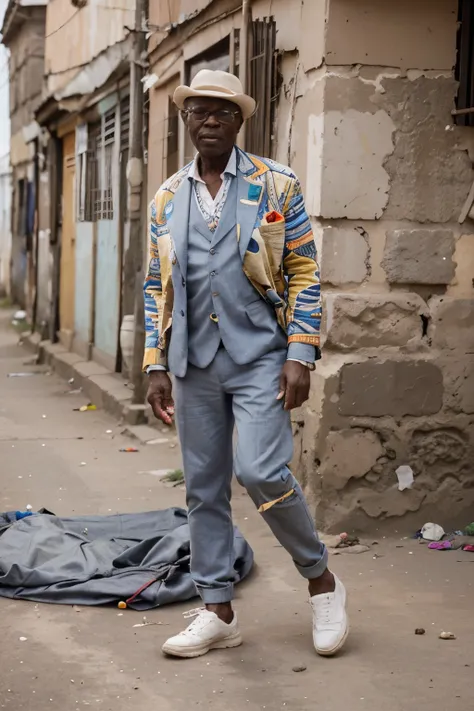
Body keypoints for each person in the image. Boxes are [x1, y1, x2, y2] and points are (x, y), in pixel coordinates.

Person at [143, 69, 348, 659]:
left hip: (260, 355)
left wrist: (301, 351)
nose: (209, 121)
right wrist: (156, 364)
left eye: (221, 113)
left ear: (239, 121)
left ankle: (321, 580)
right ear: (185, 121)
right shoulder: (166, 196)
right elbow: (159, 283)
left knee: (260, 472)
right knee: (204, 488)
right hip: (192, 362)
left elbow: (305, 269)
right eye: (198, 112)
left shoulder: (276, 185)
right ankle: (217, 610)